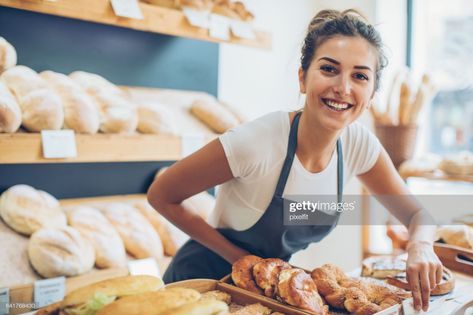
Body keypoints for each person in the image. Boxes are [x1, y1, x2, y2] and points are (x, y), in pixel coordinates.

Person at [147, 9, 442, 312]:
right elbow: (161, 194)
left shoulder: (358, 145)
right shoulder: (258, 141)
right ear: (303, 78)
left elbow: (418, 215)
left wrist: (420, 246)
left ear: (371, 95)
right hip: (200, 287)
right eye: (329, 69)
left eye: (360, 76)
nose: (343, 87)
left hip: (267, 292)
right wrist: (242, 261)